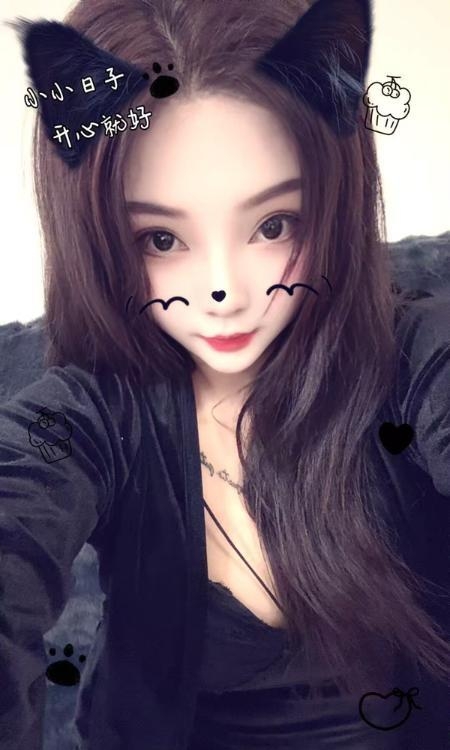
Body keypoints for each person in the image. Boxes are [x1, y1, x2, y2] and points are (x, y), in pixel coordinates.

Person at [1, 0, 449, 748]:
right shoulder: (89, 416)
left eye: (274, 225)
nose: (224, 292)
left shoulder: (416, 358)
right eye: (160, 238)